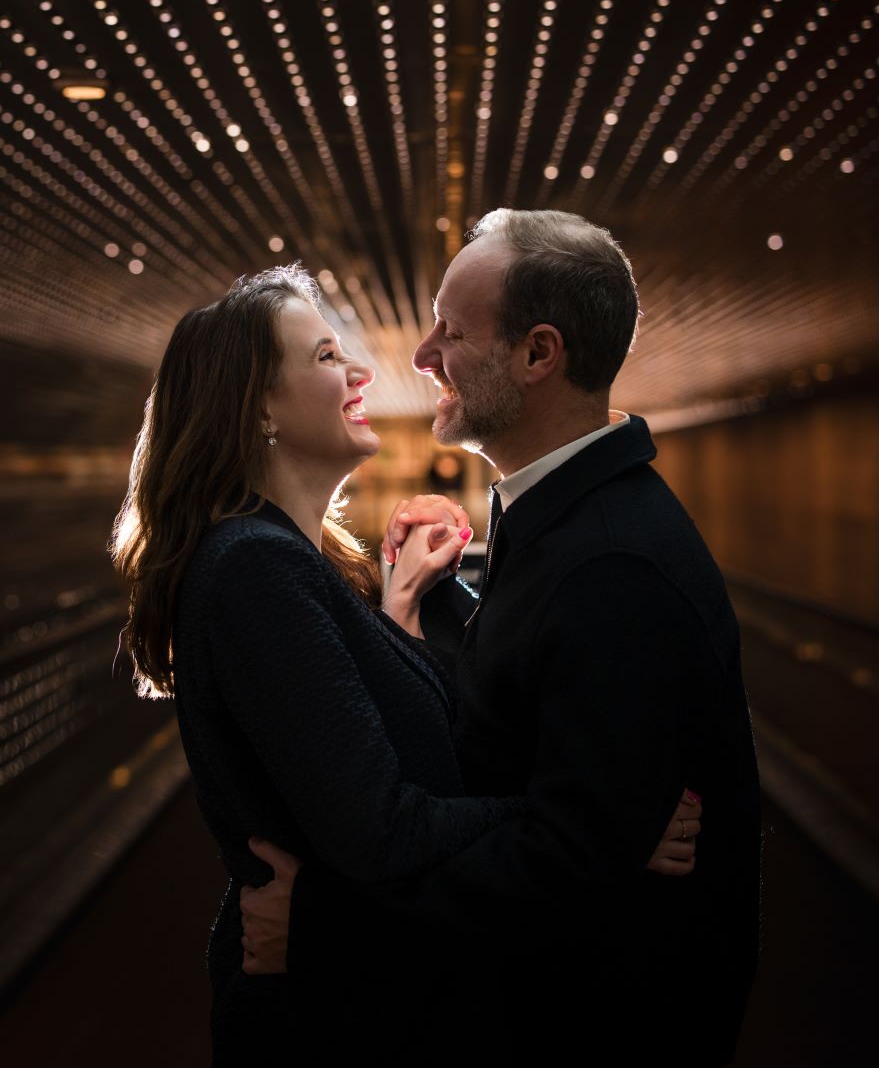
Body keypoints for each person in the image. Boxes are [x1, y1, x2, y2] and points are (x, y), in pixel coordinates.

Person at [109, 264, 702, 1062]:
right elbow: (384, 831)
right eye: (325, 358)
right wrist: (601, 828)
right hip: (333, 1025)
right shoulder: (255, 570)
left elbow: (389, 746)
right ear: (257, 409)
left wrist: (401, 612)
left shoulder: (291, 561)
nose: (361, 371)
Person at [242, 210, 760, 1066]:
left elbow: (567, 865)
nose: (421, 354)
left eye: (452, 328)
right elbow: (526, 718)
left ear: (537, 355)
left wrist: (329, 918)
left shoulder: (612, 565)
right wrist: (430, 600)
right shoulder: (561, 520)